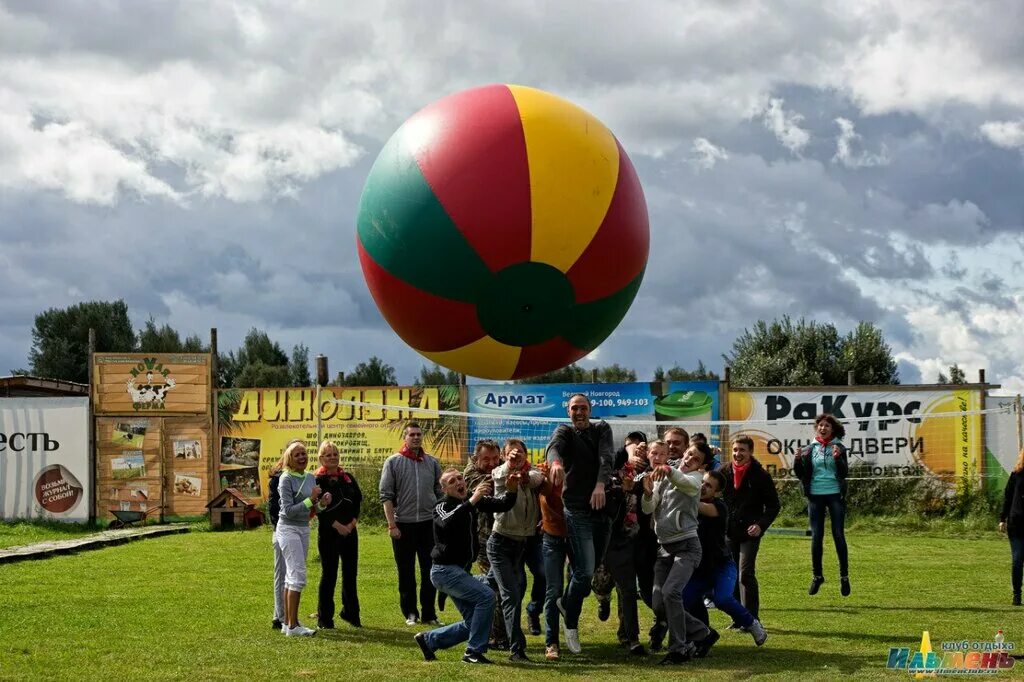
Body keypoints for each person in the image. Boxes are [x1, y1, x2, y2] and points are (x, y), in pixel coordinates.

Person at [414, 468, 519, 664]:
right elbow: (447, 523)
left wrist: (512, 490)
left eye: (460, 478)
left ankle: (429, 640)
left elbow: (502, 504)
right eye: (452, 481)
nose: (459, 482)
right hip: (444, 571)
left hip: (459, 572)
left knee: (474, 622)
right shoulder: (441, 505)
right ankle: (473, 652)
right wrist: (472, 500)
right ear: (444, 488)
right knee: (487, 596)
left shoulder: (470, 501)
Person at [545, 393, 614, 655]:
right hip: (576, 509)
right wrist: (555, 463)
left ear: (590, 409)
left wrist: (600, 485)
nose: (579, 412)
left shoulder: (602, 428)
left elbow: (606, 457)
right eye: (575, 408)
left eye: (583, 408)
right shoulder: (564, 431)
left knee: (588, 571)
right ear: (568, 412)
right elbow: (554, 448)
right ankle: (570, 624)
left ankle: (567, 604)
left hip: (603, 510)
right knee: (584, 573)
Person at [641, 441, 714, 664]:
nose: (689, 459)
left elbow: (683, 483)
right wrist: (646, 494)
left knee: (671, 592)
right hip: (664, 547)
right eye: (689, 454)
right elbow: (648, 508)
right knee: (658, 603)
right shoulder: (666, 474)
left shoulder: (694, 479)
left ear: (701, 466)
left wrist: (668, 469)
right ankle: (702, 632)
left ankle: (678, 649)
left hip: (687, 546)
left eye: (696, 459)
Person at [683, 469, 768, 650]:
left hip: (721, 566)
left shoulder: (719, 507)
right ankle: (703, 635)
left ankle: (752, 623)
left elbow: (699, 507)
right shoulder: (690, 503)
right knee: (685, 598)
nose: (703, 487)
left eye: (708, 486)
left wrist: (680, 489)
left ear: (718, 492)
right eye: (702, 482)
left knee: (722, 599)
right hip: (698, 569)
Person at [487, 439, 546, 662]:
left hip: (524, 544)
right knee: (511, 595)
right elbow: (500, 477)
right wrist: (510, 467)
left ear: (526, 454)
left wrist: (524, 473)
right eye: (511, 453)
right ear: (504, 456)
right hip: (500, 543)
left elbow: (536, 479)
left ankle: (456, 580)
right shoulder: (499, 473)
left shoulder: (533, 473)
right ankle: (517, 650)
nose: (516, 455)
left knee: (493, 585)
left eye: (520, 452)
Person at [380, 422, 444, 625]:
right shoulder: (393, 462)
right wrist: (392, 525)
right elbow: (386, 496)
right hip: (403, 526)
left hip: (428, 525)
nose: (416, 438)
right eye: (412, 435)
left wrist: (440, 520)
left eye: (418, 434)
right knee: (406, 571)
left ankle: (429, 614)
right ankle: (410, 613)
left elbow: (440, 493)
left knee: (430, 570)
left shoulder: (432, 462)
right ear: (405, 438)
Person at [718, 435, 780, 624]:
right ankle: (738, 618)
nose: (738, 454)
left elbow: (773, 506)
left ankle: (752, 618)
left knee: (745, 573)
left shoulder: (760, 475)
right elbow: (711, 493)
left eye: (742, 450)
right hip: (729, 531)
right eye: (735, 450)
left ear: (750, 452)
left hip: (750, 532)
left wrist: (760, 525)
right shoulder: (724, 472)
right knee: (732, 574)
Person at [793, 413, 851, 597]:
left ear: (832, 429)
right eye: (820, 425)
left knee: (838, 535)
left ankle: (844, 576)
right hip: (815, 496)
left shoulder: (839, 447)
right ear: (816, 428)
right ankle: (817, 576)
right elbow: (801, 474)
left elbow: (844, 473)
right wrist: (797, 459)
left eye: (827, 426)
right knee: (816, 536)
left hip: (835, 494)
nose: (823, 428)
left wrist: (838, 458)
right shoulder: (810, 449)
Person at [277, 440, 330, 636]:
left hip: (303, 528)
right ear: (290, 458)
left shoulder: (309, 477)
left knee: (292, 576)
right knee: (297, 576)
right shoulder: (286, 478)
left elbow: (313, 508)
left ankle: (287, 623)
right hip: (288, 529)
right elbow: (289, 511)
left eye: (304, 454)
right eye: (297, 454)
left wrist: (322, 502)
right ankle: (293, 626)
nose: (302, 457)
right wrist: (311, 498)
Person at [462, 440, 507, 647]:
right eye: (486, 459)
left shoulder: (502, 469)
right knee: (493, 589)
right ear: (475, 458)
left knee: (507, 585)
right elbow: (486, 489)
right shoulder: (470, 475)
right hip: (482, 541)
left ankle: (499, 632)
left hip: (505, 538)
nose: (491, 463)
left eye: (495, 459)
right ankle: (495, 636)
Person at [315, 440, 363, 629]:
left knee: (350, 574)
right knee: (329, 575)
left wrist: (351, 524)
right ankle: (325, 618)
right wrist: (337, 526)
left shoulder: (348, 477)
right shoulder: (317, 480)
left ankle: (351, 613)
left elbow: (357, 502)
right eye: (328, 455)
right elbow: (318, 510)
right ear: (321, 458)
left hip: (351, 532)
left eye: (335, 454)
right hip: (328, 534)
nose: (333, 457)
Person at [538, 461, 570, 661]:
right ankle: (551, 643)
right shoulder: (548, 468)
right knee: (553, 589)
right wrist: (548, 476)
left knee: (580, 582)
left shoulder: (582, 466)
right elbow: (545, 490)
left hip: (577, 536)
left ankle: (566, 606)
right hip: (552, 537)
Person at [999, 448, 1024, 606]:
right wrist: (1002, 518)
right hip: (1017, 523)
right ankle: (1017, 595)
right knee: (1017, 560)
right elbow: (1008, 496)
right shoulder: (1016, 474)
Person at [268, 446, 289, 631]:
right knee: (281, 574)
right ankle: (280, 616)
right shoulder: (277, 479)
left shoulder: (301, 477)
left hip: (296, 531)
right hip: (281, 531)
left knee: (292, 575)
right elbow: (273, 508)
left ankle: (283, 614)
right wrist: (279, 529)